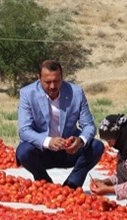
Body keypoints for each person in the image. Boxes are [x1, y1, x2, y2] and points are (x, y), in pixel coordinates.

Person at [15, 60, 104, 189]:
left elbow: (89, 125)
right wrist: (48, 141)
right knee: (23, 151)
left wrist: (79, 140)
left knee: (97, 146)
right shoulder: (27, 94)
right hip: (42, 152)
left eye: (56, 81)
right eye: (47, 82)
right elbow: (24, 130)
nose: (52, 86)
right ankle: (44, 183)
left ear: (62, 78)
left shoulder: (76, 93)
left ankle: (71, 185)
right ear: (39, 78)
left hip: (69, 151)